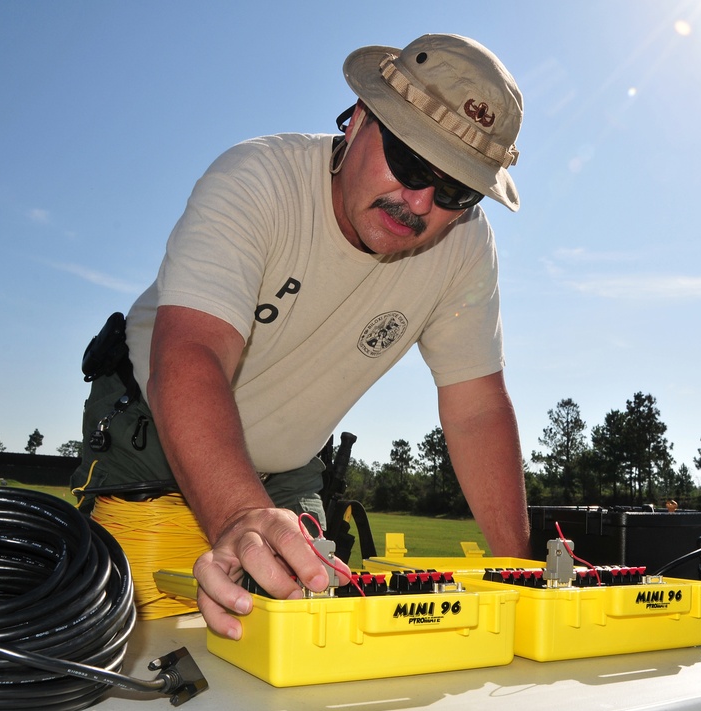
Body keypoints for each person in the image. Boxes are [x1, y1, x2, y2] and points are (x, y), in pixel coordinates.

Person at [71, 33, 531, 639]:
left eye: (454, 190)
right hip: (154, 431)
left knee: (308, 638)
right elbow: (192, 354)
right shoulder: (259, 180)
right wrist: (238, 514)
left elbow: (476, 410)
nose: (418, 201)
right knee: (142, 637)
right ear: (358, 120)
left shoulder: (465, 245)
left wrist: (526, 577)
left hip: (288, 471)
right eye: (412, 161)